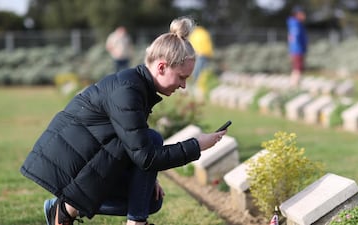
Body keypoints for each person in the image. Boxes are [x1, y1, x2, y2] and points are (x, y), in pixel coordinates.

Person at [20, 16, 227, 225]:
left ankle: (65, 208)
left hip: (82, 166)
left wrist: (148, 180)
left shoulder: (138, 86)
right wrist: (197, 145)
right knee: (152, 141)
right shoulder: (128, 91)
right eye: (182, 77)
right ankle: (69, 208)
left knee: (150, 199)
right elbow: (146, 157)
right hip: (63, 169)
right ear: (162, 67)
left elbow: (134, 147)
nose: (183, 86)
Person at [287, 6, 308, 87]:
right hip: (297, 50)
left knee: (296, 69)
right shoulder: (296, 25)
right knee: (297, 69)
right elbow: (294, 37)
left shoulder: (296, 24)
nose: (304, 16)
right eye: (302, 14)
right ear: (297, 14)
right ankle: (294, 86)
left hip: (297, 50)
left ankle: (293, 84)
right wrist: (295, 49)